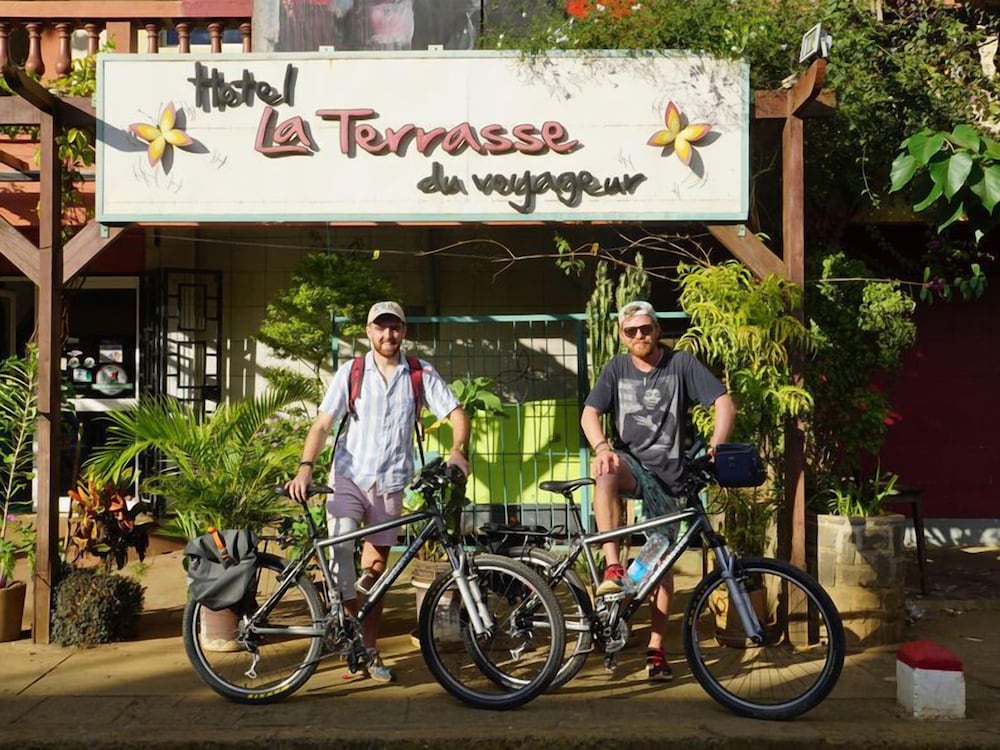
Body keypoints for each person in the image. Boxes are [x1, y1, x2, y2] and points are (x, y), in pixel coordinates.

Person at [287, 300, 470, 683]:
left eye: (395, 327)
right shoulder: (351, 372)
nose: (388, 334)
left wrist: (457, 450)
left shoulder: (419, 373)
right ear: (368, 332)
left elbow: (456, 414)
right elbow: (322, 425)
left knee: (375, 575)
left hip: (390, 485)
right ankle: (349, 637)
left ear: (404, 331)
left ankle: (367, 650)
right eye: (381, 327)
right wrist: (305, 468)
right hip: (348, 479)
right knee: (341, 560)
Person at [580, 300, 735, 682]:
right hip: (631, 466)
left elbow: (723, 403)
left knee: (659, 566)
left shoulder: (680, 364)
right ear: (622, 335)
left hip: (670, 478)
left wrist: (716, 448)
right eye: (631, 330)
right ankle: (613, 566)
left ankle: (655, 648)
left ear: (656, 329)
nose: (639, 335)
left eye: (645, 329)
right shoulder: (616, 368)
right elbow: (589, 414)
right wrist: (602, 448)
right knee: (606, 471)